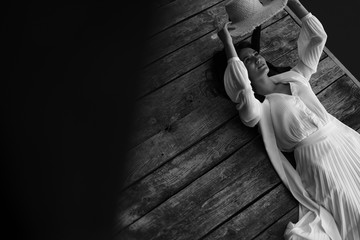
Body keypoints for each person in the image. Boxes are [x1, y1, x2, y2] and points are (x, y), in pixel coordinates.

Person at [217, 0, 360, 239]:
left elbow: (318, 38)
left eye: (255, 53)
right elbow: (241, 86)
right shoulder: (259, 109)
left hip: (345, 140)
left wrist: (291, 2)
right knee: (354, 214)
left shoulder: (295, 77)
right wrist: (227, 44)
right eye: (248, 60)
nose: (256, 58)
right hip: (319, 162)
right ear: (242, 70)